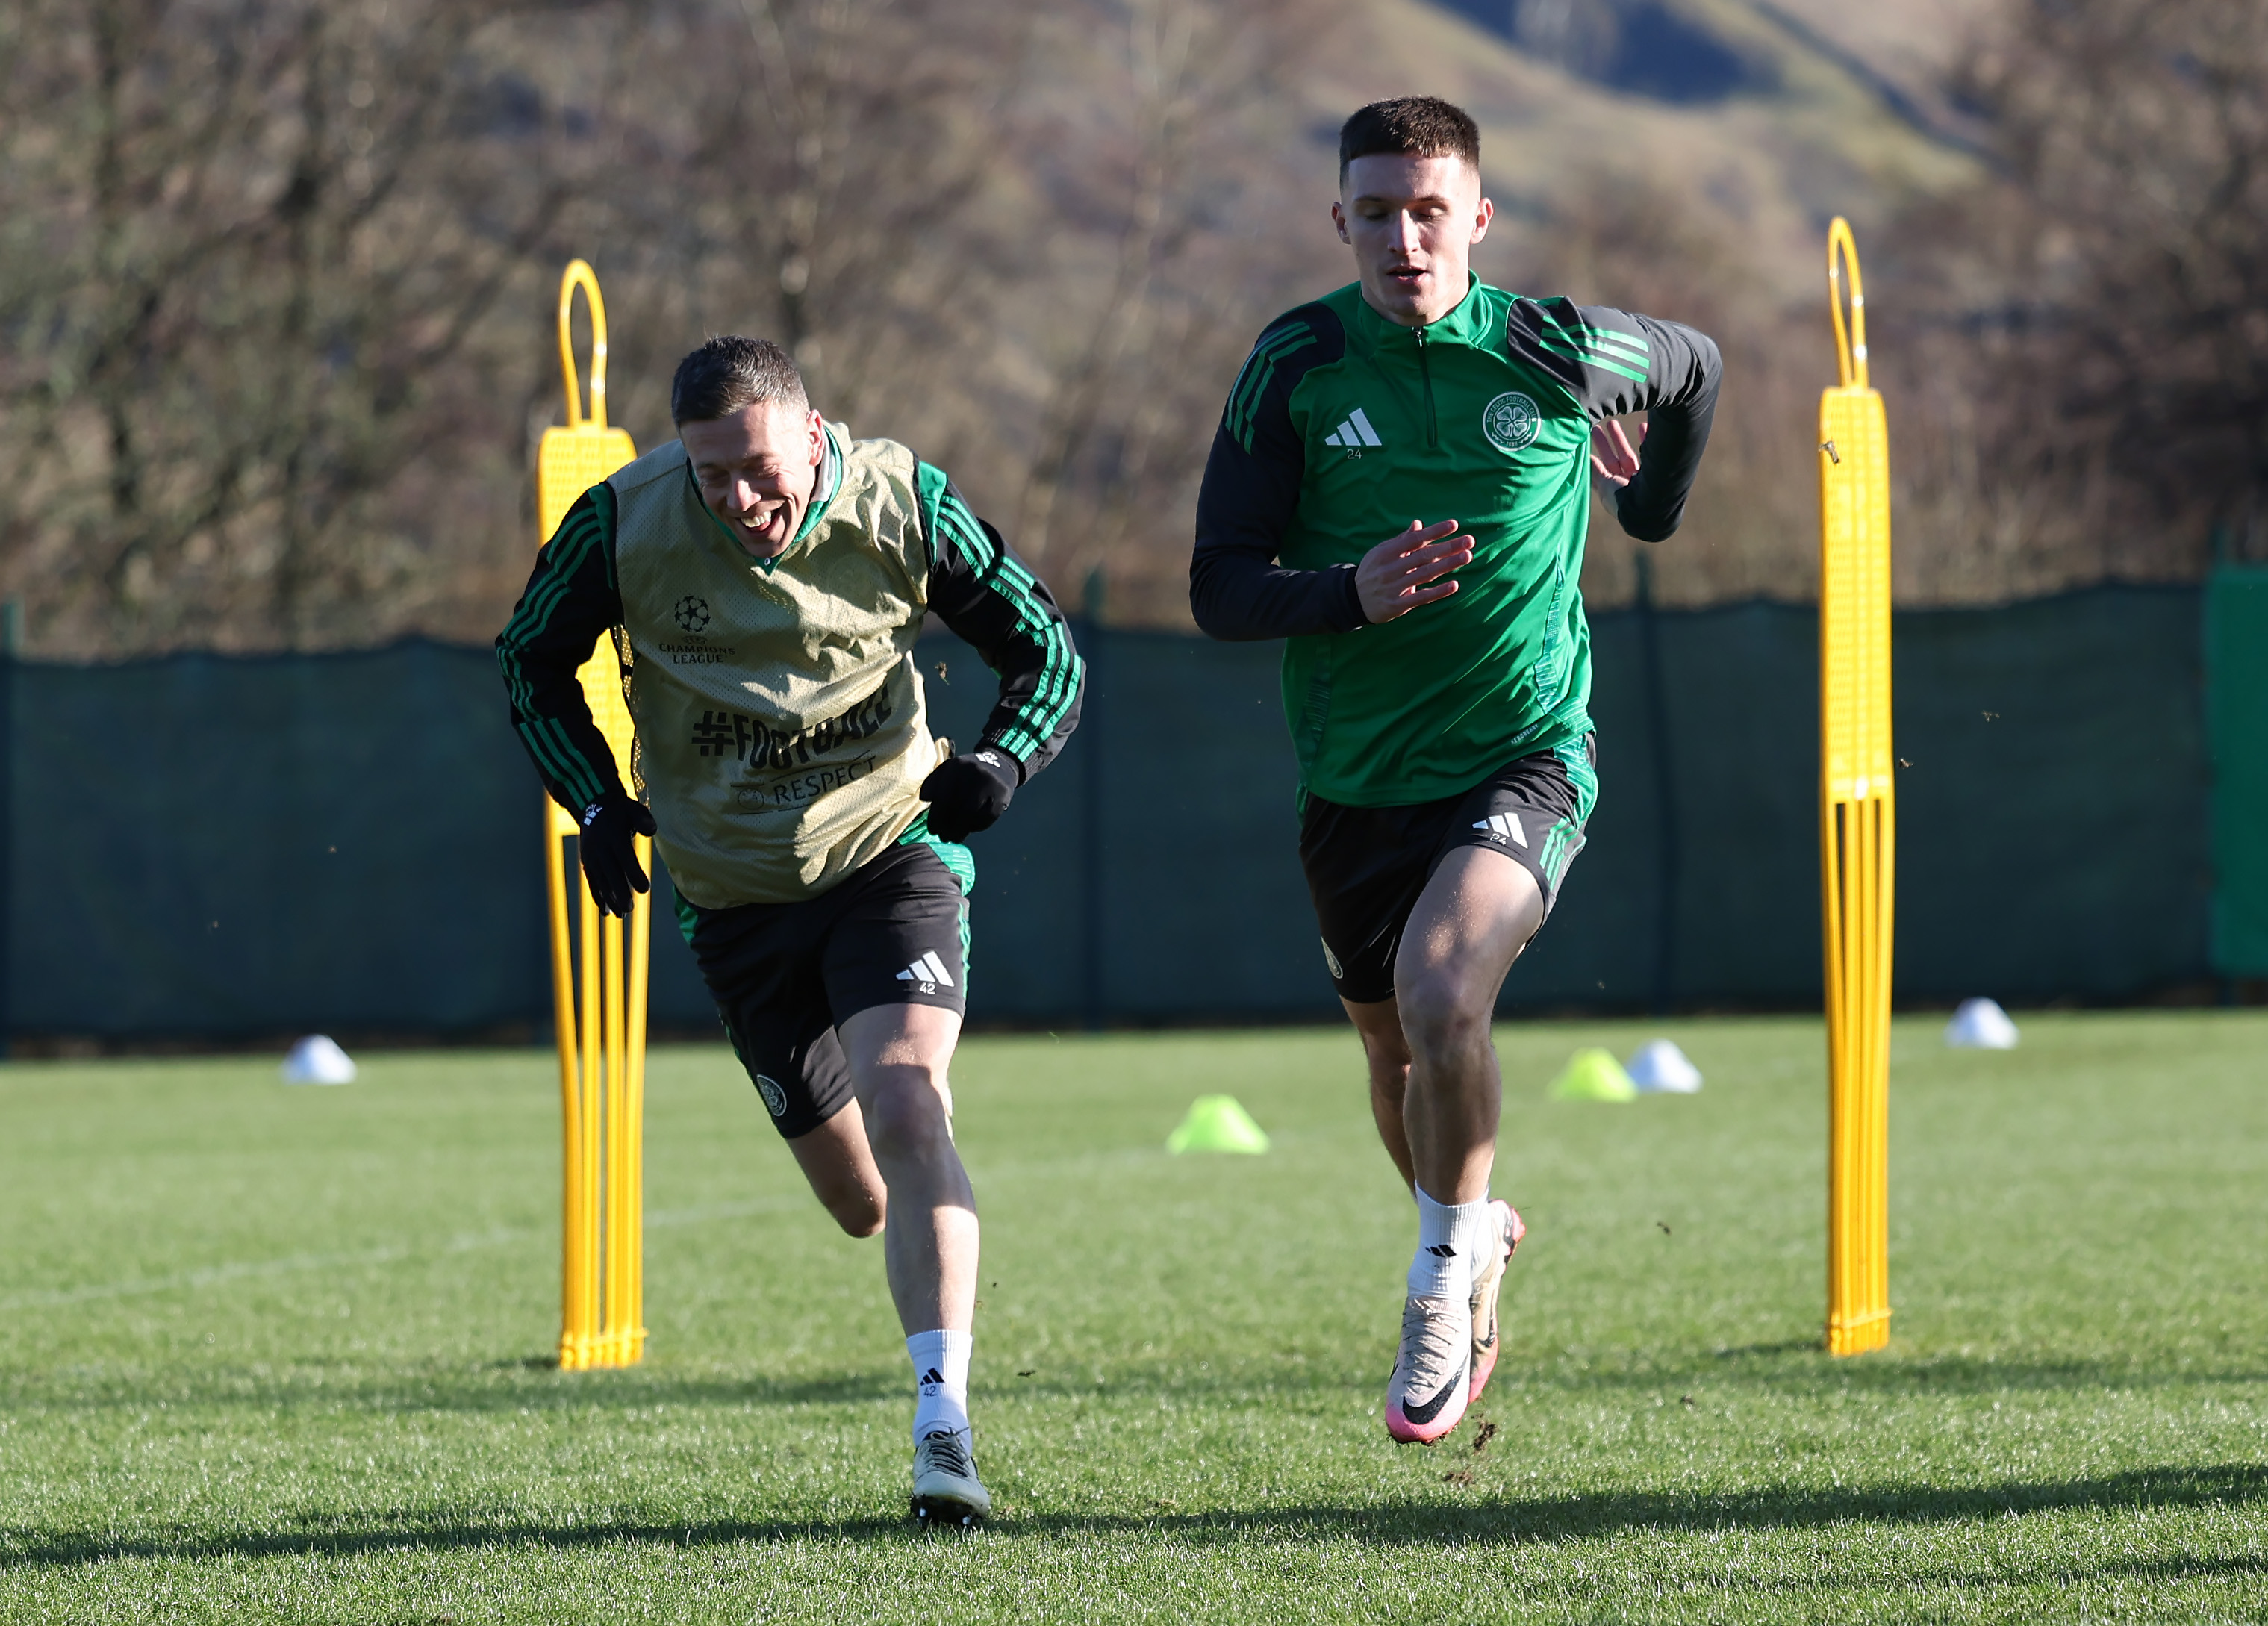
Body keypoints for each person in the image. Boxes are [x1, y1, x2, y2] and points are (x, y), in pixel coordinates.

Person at [1189, 96, 1719, 1445]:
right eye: (1377, 212)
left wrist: (1642, 506)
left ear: (1478, 220)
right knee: (1394, 1059)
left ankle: (1434, 1285)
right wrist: (1344, 595)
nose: (1404, 239)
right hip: (1355, 778)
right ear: (1342, 221)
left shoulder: (1553, 348)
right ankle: (1472, 1233)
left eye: (1431, 211)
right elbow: (1216, 587)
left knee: (1441, 991)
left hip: (1523, 751)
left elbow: (1698, 366)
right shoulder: (1295, 363)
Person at [498, 335, 1083, 1523]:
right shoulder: (626, 521)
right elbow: (529, 662)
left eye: (758, 466)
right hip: (732, 901)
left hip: (887, 856)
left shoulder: (902, 502)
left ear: (813, 435)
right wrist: (599, 799)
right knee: (859, 1199)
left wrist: (1001, 763)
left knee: (911, 1097)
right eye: (713, 473)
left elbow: (1045, 648)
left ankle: (942, 1426)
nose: (739, 497)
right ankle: (911, 1279)